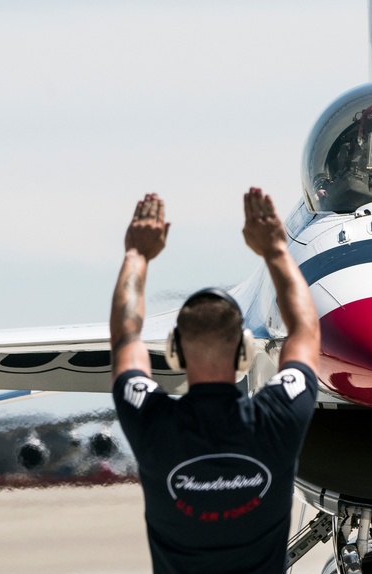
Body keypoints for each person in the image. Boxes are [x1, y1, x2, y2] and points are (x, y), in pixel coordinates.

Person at [109, 188, 320, 574]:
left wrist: (137, 254)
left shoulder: (152, 423)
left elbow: (126, 339)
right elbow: (306, 332)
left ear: (175, 351)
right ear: (244, 351)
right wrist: (275, 250)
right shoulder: (277, 418)